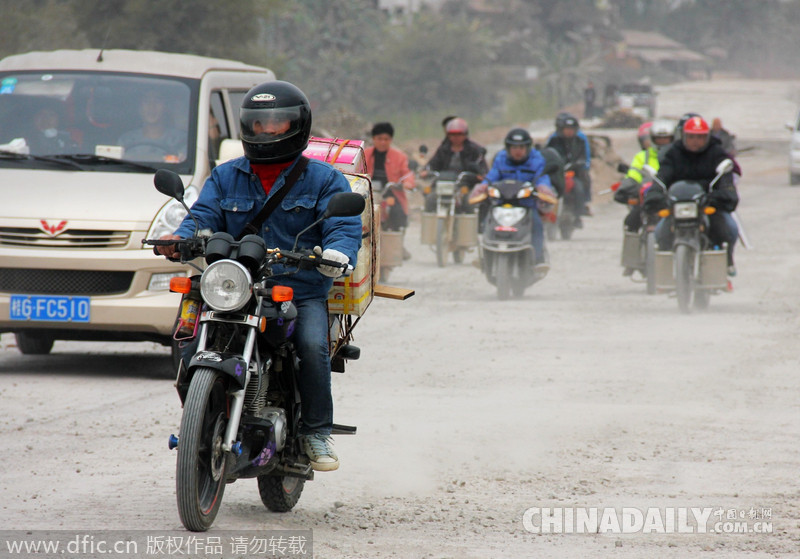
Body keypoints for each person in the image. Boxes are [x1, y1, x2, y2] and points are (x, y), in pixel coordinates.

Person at [156, 80, 362, 472]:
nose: (266, 132)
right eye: (259, 124)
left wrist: (336, 253)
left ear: (297, 126)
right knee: (186, 337)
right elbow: (202, 216)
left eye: (277, 124)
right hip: (232, 284)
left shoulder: (323, 179)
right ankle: (203, 415)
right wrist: (179, 239)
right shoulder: (225, 175)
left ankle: (316, 432)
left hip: (295, 289)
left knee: (312, 347)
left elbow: (343, 226)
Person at [644, 115, 739, 276]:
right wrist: (655, 193)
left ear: (707, 137)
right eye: (691, 137)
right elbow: (662, 177)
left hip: (708, 204)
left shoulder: (716, 153)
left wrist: (724, 194)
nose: (696, 141)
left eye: (700, 137)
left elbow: (726, 181)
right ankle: (665, 273)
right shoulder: (673, 153)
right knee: (660, 233)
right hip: (678, 205)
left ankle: (727, 261)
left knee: (729, 229)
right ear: (683, 136)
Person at [470, 127, 553, 272]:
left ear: (528, 147)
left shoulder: (537, 160)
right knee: (486, 222)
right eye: (514, 147)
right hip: (502, 204)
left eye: (521, 147)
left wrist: (544, 188)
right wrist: (483, 186)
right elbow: (493, 175)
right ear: (508, 148)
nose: (518, 151)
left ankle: (538, 259)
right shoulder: (501, 158)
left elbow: (542, 177)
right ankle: (485, 256)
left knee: (537, 225)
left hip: (526, 205)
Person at [364, 122, 416, 259]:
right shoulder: (364, 154)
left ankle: (397, 244)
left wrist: (408, 183)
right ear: (373, 139)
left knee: (398, 213)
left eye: (386, 139)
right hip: (367, 192)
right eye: (379, 138)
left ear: (391, 140)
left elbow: (406, 173)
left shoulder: (400, 157)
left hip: (390, 192)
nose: (382, 142)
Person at [615, 120, 675, 235]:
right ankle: (633, 247)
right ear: (652, 139)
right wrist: (626, 187)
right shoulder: (642, 156)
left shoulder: (677, 154)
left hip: (671, 197)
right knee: (631, 221)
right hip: (650, 197)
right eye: (659, 139)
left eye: (665, 139)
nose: (662, 142)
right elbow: (634, 174)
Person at [421, 117, 488, 211]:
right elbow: (433, 163)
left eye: (459, 134)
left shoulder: (474, 149)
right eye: (452, 134)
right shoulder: (443, 149)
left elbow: (481, 167)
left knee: (470, 202)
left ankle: (468, 225)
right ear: (448, 135)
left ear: (465, 135)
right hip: (444, 184)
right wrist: (426, 171)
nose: (456, 137)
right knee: (431, 199)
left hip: (465, 184)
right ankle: (430, 224)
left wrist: (480, 175)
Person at [545, 113, 592, 223]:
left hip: (574, 172)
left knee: (580, 186)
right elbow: (548, 154)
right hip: (557, 172)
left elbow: (585, 156)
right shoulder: (554, 140)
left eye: (571, 129)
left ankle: (580, 210)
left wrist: (579, 164)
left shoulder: (580, 140)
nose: (569, 131)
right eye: (566, 129)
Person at [118, 89, 186, 161]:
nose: (151, 107)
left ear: (165, 107)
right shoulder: (126, 140)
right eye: (146, 101)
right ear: (139, 108)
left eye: (157, 101)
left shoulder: (181, 141)